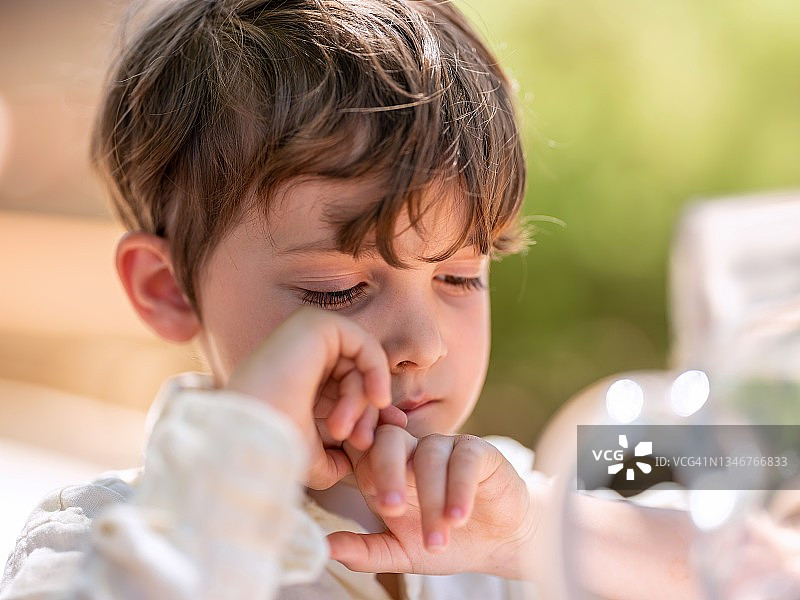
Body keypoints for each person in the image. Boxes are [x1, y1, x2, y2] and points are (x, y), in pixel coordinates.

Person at [0, 1, 701, 599]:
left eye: (459, 277)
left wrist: (531, 534)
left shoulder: (512, 491)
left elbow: (757, 517)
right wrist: (248, 449)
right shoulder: (94, 539)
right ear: (169, 288)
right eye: (336, 290)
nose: (423, 343)